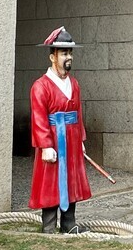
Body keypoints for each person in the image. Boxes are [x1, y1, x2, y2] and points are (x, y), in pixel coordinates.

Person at [29, 26, 92, 233]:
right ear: (52, 57)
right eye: (64, 53)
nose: (69, 57)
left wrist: (80, 140)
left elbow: (79, 113)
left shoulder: (74, 84)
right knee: (50, 181)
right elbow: (38, 117)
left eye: (70, 53)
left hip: (72, 137)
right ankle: (48, 226)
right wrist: (45, 145)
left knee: (71, 179)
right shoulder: (41, 86)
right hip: (54, 138)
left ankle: (68, 223)